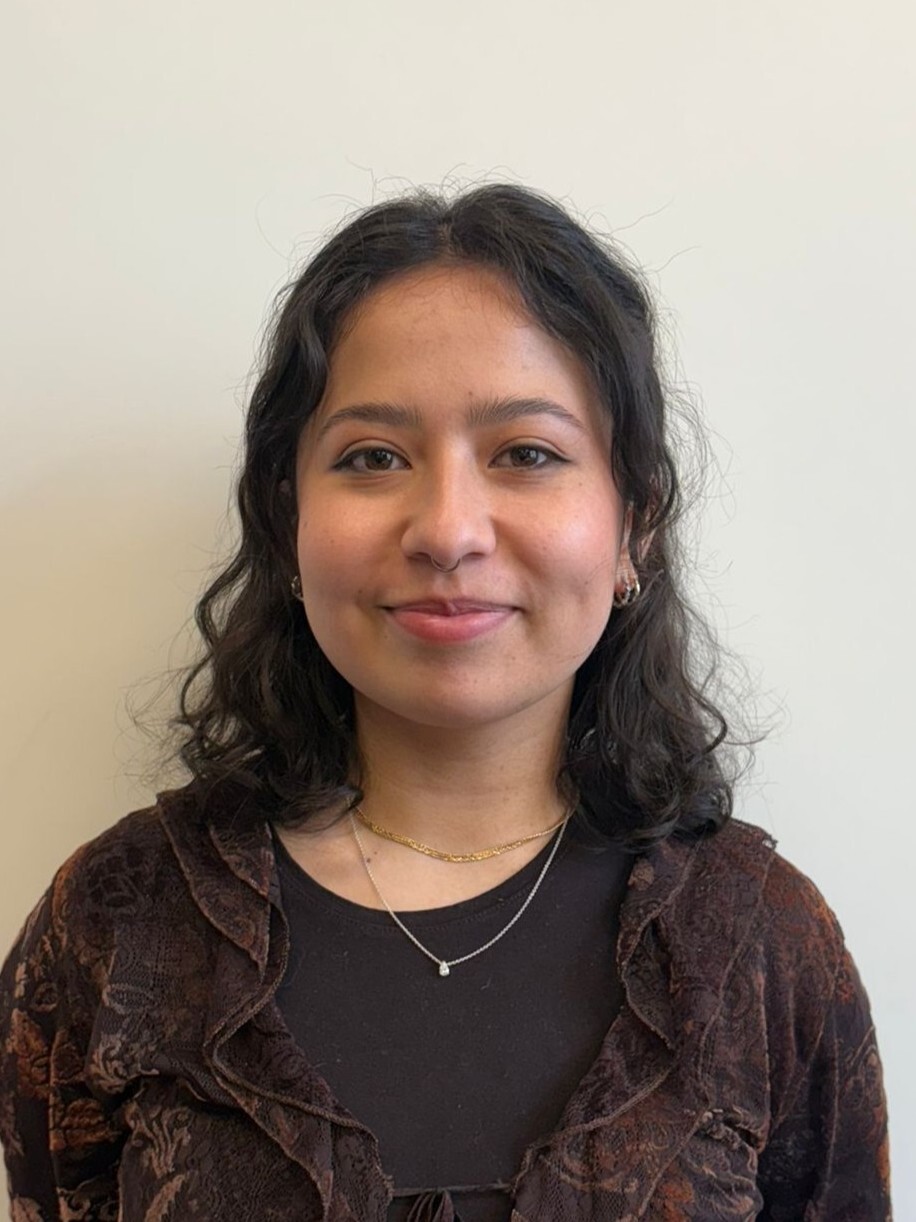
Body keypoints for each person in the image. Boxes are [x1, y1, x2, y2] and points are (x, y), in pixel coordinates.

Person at [0, 184, 890, 1221]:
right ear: (288, 522)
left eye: (527, 454)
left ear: (634, 526)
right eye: (373, 457)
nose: (448, 530)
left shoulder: (762, 945)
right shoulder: (115, 924)